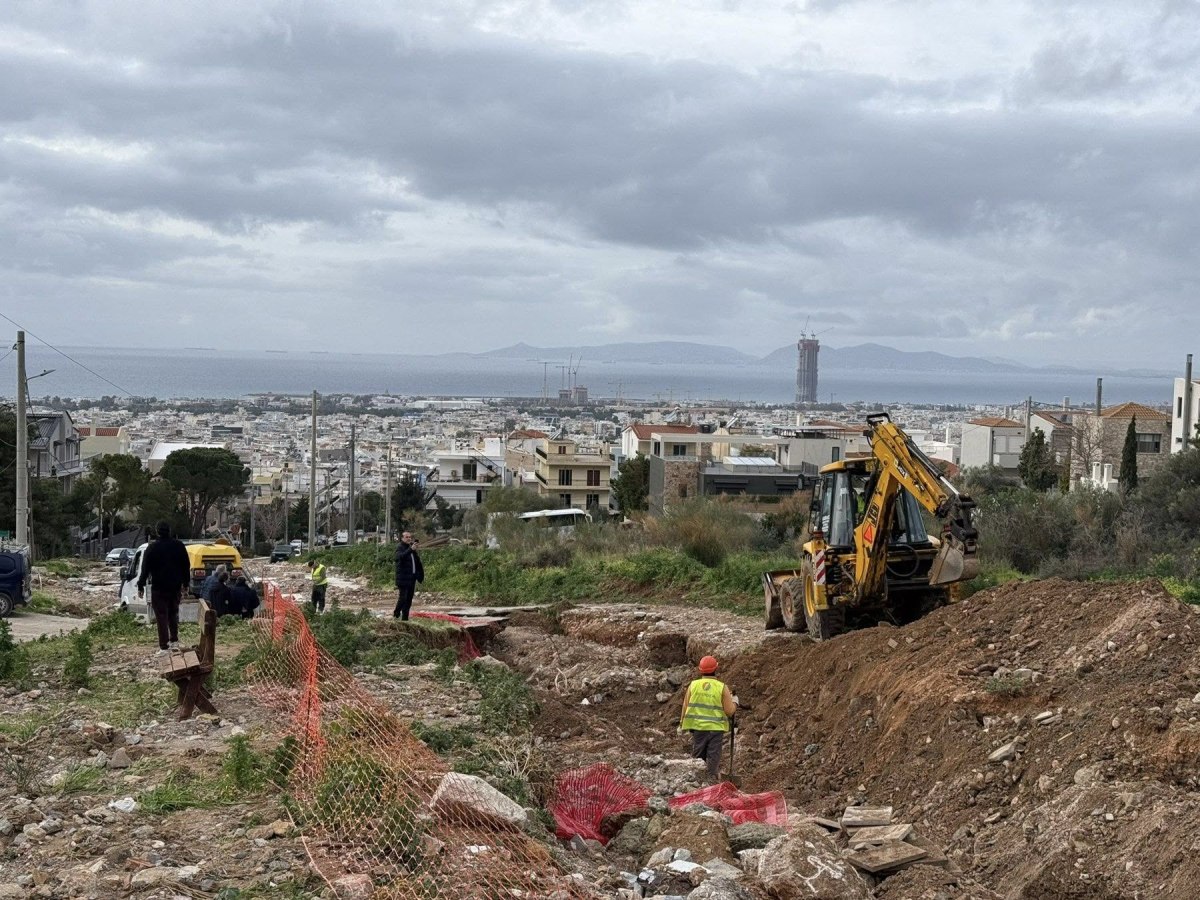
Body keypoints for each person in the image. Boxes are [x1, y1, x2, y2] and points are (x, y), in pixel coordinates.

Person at [679, 655, 737, 783]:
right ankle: (711, 780)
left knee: (698, 755)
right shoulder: (721, 687)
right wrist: (735, 703)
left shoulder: (693, 685)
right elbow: (729, 711)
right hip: (715, 729)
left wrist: (682, 723)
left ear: (700, 670)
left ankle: (696, 781)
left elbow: (685, 705)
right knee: (713, 755)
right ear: (716, 668)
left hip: (698, 727)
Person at [136, 521, 191, 656]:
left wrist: (141, 585)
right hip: (175, 586)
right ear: (170, 531)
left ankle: (164, 647)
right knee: (173, 613)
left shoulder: (152, 548)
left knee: (161, 615)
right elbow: (186, 565)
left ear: (157, 531)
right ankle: (174, 640)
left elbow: (145, 569)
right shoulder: (179, 546)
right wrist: (186, 584)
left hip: (159, 587)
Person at [393, 532, 424, 621]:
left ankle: (405, 619)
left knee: (409, 600)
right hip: (403, 578)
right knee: (403, 598)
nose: (409, 539)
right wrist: (411, 549)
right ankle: (396, 614)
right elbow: (400, 557)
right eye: (406, 537)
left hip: (411, 578)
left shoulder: (411, 549)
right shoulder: (400, 547)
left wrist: (419, 575)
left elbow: (417, 562)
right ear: (402, 538)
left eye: (410, 537)